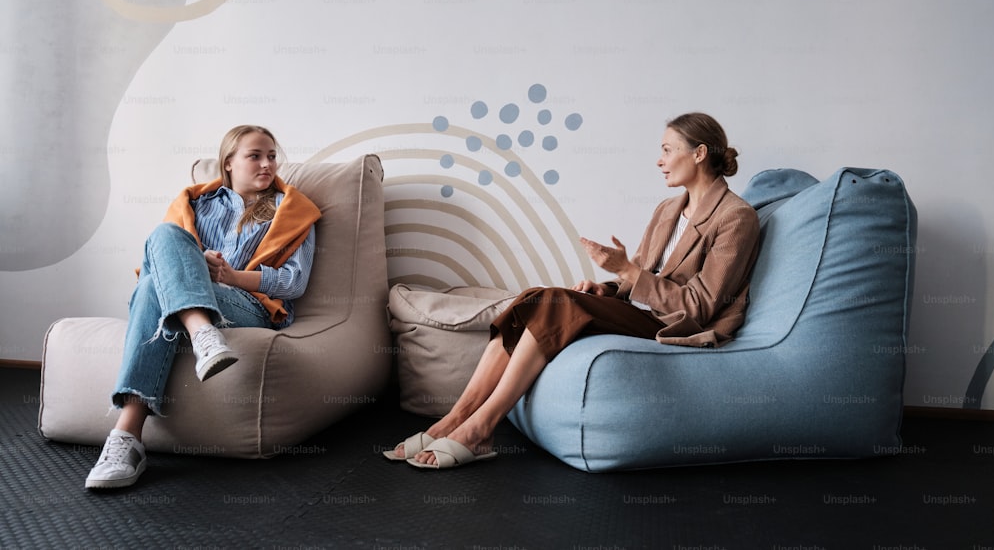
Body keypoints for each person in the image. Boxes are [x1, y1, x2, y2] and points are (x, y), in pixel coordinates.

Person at [387, 112, 761, 469]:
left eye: (667, 149)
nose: (659, 160)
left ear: (698, 154)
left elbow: (701, 306)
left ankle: (481, 429)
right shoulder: (667, 210)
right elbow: (638, 281)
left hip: (675, 325)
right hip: (642, 311)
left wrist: (627, 269)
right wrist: (607, 287)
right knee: (533, 298)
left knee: (555, 304)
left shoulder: (735, 217)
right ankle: (456, 416)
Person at [85, 125, 321, 489]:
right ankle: (201, 335)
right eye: (254, 156)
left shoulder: (289, 210)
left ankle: (126, 437)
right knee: (163, 240)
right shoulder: (195, 203)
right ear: (228, 163)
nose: (267, 164)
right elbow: (160, 262)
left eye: (271, 156)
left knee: (154, 287)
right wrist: (196, 262)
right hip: (196, 297)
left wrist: (232, 276)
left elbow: (294, 282)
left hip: (248, 306)